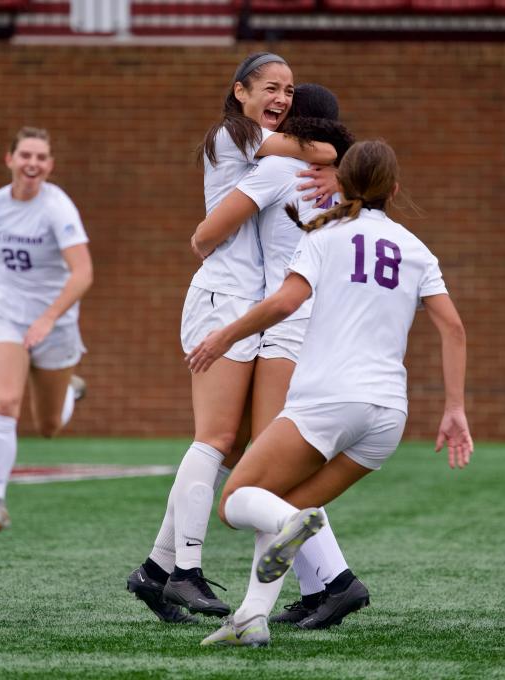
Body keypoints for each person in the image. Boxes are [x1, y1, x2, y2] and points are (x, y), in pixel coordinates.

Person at [185, 139, 473, 647]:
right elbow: (453, 328)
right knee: (278, 508)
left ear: (340, 182)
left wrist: (225, 335)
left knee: (236, 502)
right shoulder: (416, 248)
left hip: (328, 400)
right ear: (396, 190)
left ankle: (288, 534)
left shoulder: (324, 234)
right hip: (387, 416)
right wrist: (454, 409)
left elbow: (283, 303)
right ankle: (251, 619)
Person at [126, 52, 337, 624]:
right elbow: (311, 153)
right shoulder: (237, 135)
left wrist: (329, 154)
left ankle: (155, 569)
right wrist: (333, 153)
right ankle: (185, 574)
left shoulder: (276, 155)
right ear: (239, 91)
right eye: (271, 87)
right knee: (218, 440)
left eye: (291, 91)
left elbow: (312, 154)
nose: (282, 98)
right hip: (225, 300)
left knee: (241, 447)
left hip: (253, 308)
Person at [191, 83, 369, 629]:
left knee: (263, 471)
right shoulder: (351, 187)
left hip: (287, 325)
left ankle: (327, 586)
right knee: (283, 465)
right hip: (333, 328)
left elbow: (205, 235)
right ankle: (323, 587)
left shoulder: (274, 170)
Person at [0, 126, 93, 534]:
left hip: (55, 323)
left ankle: (70, 389)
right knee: (4, 401)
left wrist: (47, 318)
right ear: (10, 159)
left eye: (41, 157)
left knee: (48, 426)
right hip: (6, 315)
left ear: (50, 165)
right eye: (25, 155)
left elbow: (83, 274)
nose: (32, 164)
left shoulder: (58, 209)